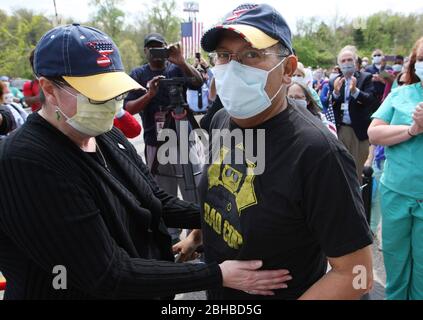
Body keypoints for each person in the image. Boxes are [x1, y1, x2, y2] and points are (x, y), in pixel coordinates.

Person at [0, 24, 292, 300]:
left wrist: (232, 214)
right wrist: (214, 273)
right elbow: (106, 273)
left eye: (113, 92)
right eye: (96, 95)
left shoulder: (102, 132)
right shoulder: (28, 162)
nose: (110, 105)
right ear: (49, 89)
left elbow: (155, 200)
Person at [177, 3, 373, 300]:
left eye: (251, 55)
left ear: (288, 69)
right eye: (223, 56)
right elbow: (222, 194)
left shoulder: (318, 153)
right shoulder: (221, 120)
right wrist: (198, 236)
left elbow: (358, 275)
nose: (232, 68)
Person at [368, 37, 423, 300]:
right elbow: (374, 133)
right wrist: (413, 129)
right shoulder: (401, 94)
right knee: (396, 265)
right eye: (422, 59)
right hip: (396, 194)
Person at [330, 45, 377, 180]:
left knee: (357, 170)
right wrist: (336, 93)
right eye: (343, 61)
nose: (346, 63)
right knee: (340, 169)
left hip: (359, 131)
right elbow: (331, 103)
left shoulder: (365, 78)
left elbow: (371, 100)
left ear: (355, 62)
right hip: (341, 129)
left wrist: (355, 92)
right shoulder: (335, 80)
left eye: (349, 60)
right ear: (339, 64)